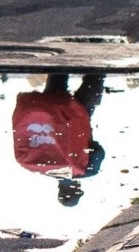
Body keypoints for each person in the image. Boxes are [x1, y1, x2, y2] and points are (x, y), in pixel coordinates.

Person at [12, 73, 105, 207]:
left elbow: (98, 151)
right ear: (59, 189)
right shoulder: (39, 167)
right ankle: (60, 65)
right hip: (49, 112)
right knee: (56, 86)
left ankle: (96, 66)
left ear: (77, 189)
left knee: (94, 81)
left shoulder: (86, 171)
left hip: (77, 117)